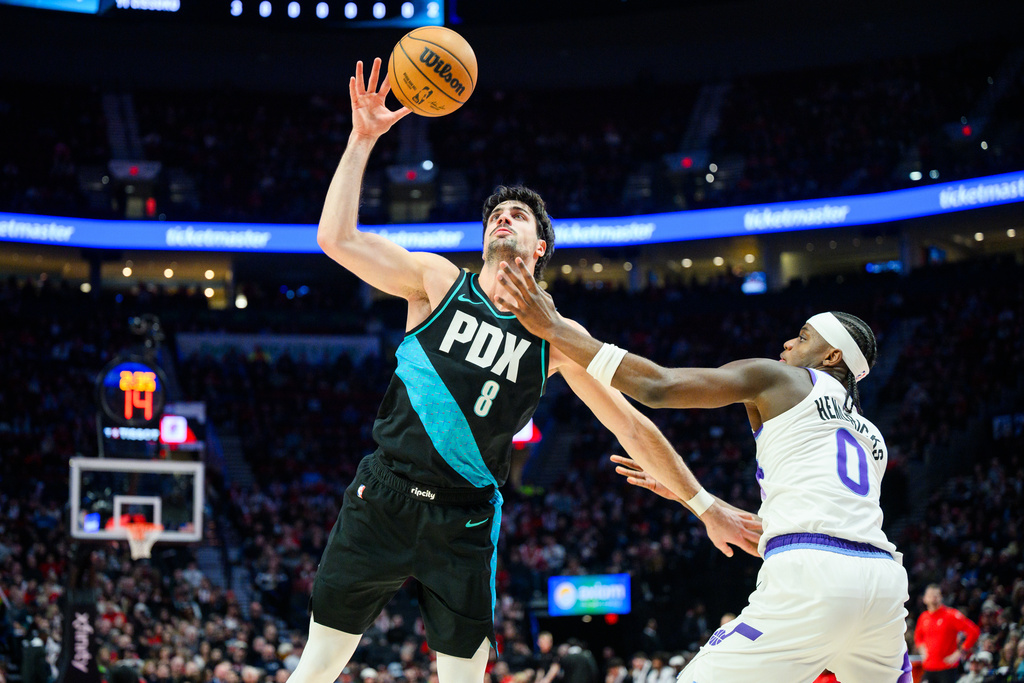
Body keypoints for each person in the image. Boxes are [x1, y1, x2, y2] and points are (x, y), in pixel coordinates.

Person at [286, 58, 760, 683]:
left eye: (518, 216)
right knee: (315, 669)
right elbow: (336, 238)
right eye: (495, 215)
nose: (502, 218)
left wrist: (704, 505)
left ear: (539, 249)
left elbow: (632, 425)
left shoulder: (560, 340)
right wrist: (362, 139)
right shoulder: (434, 283)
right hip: (386, 495)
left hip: (466, 517)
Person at [494, 257, 911, 682]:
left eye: (803, 337)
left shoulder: (783, 379)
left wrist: (554, 328)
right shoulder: (871, 435)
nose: (787, 344)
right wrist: (689, 493)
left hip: (815, 576)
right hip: (883, 583)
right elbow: (804, 522)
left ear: (832, 355)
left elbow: (658, 386)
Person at [914, 584, 980, 683]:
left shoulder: (951, 615)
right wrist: (922, 649)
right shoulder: (923, 617)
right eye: (931, 595)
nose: (934, 597)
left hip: (947, 668)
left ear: (941, 597)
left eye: (937, 595)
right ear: (924, 599)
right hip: (929, 667)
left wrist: (960, 652)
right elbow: (918, 636)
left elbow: (974, 631)